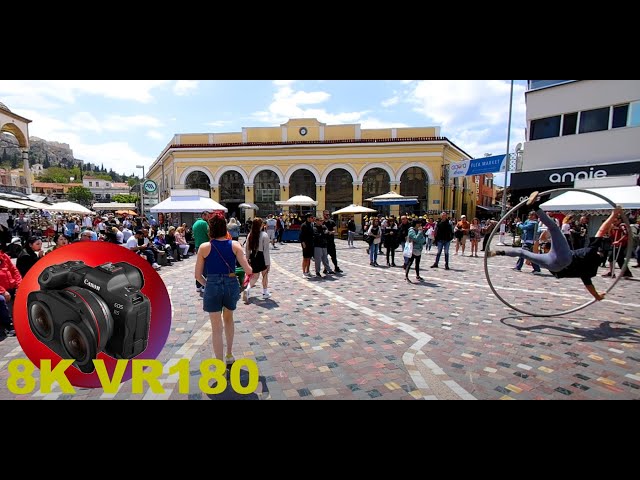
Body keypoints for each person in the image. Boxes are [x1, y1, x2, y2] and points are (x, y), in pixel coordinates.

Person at [490, 192, 623, 301]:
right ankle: (498, 252)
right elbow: (589, 286)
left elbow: (601, 230)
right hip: (554, 267)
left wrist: (613, 214)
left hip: (563, 258)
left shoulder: (592, 250)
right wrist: (597, 297)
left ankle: (535, 206)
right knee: (523, 252)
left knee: (554, 228)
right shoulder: (589, 271)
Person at [194, 213, 252, 367]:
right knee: (228, 319)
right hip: (230, 282)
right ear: (225, 228)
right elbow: (248, 269)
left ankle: (219, 363)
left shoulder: (204, 247)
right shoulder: (234, 245)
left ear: (210, 230)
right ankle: (229, 355)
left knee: (216, 327)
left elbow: (197, 276)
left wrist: (209, 284)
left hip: (212, 284)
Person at [244, 217, 272, 301]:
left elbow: (247, 248)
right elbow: (266, 251)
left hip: (253, 256)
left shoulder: (250, 234)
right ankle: (265, 292)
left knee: (255, 276)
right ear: (261, 225)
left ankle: (247, 289)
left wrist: (247, 258)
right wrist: (268, 263)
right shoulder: (264, 235)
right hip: (261, 256)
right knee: (265, 275)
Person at [0, 249, 21, 337]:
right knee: (1, 300)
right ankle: (8, 325)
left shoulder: (4, 256)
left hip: (11, 286)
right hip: (2, 290)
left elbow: (14, 271)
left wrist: (19, 286)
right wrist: (2, 291)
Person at [192, 211, 211, 293]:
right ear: (203, 215)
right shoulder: (204, 223)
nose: (208, 218)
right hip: (205, 245)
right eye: (207, 216)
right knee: (205, 266)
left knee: (199, 265)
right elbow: (209, 234)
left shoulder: (195, 224)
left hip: (197, 245)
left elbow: (193, 235)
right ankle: (204, 285)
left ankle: (198, 285)